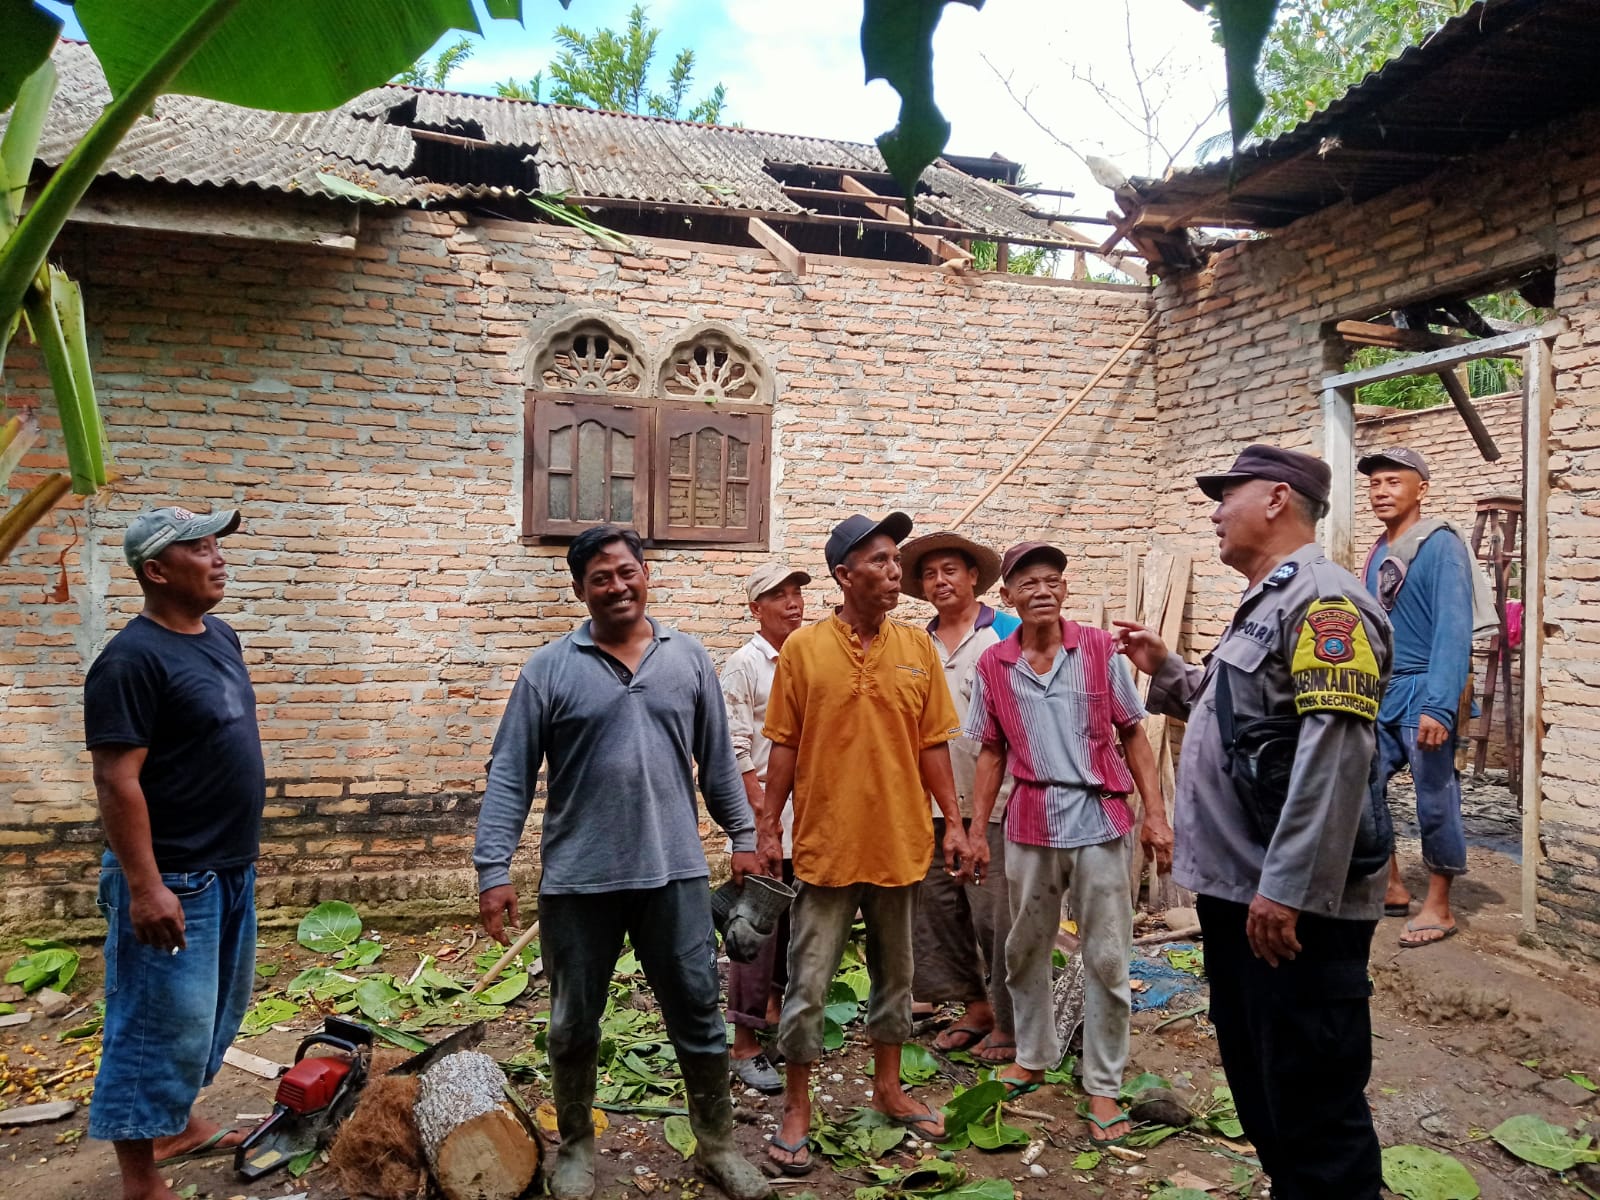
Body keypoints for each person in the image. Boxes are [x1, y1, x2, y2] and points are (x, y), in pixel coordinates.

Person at [1117, 445, 1393, 1200]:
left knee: (1313, 1098)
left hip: (1293, 904)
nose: (1213, 511)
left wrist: (1289, 887)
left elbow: (1334, 753)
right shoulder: (1269, 599)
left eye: (1225, 496)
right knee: (1264, 1082)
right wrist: (1167, 667)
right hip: (1246, 893)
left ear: (1276, 499)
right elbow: (1230, 702)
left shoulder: (1326, 602)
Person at [473, 524, 770, 1200]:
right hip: (579, 882)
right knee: (574, 1021)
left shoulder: (688, 659)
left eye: (627, 571)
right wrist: (493, 871)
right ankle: (575, 1146)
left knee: (697, 1012)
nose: (617, 586)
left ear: (646, 575)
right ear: (580, 589)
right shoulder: (547, 670)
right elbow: (509, 778)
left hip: (675, 876)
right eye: (600, 577)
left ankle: (717, 1145)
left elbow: (719, 763)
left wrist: (743, 838)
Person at [758, 512, 973, 1175]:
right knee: (808, 984)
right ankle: (797, 1104)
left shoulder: (916, 651)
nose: (894, 571)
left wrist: (956, 822)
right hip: (825, 848)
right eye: (880, 561)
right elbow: (785, 745)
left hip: (899, 844)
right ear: (844, 575)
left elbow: (933, 743)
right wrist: (767, 825)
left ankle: (888, 1089)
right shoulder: (803, 650)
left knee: (896, 982)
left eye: (894, 559)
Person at [965, 541, 1171, 1143]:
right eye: (1027, 584)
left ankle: (1103, 1085)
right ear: (1006, 598)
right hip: (1029, 818)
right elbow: (991, 752)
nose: (1042, 591)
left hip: (1101, 817)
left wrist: (1155, 816)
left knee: (1106, 954)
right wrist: (977, 830)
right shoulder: (994, 665)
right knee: (1023, 948)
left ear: (1065, 590)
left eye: (1052, 580)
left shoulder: (1100, 650)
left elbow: (1134, 734)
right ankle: (1033, 1054)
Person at [83, 506, 261, 1200]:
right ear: (156, 571)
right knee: (154, 1024)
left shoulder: (220, 637)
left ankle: (178, 1123)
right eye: (200, 550)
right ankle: (140, 1179)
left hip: (227, 868)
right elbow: (115, 778)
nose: (218, 559)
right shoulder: (130, 660)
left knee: (209, 1019)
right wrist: (144, 886)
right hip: (174, 876)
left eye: (218, 547)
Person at [899, 532, 1021, 1064]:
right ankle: (975, 1006)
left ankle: (1014, 1023)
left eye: (951, 570)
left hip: (998, 800)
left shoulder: (1007, 633)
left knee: (996, 914)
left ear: (974, 577)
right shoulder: (915, 646)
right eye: (929, 574)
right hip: (927, 803)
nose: (941, 581)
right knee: (939, 912)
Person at [1360, 447, 1487, 948]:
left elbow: (1454, 631)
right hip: (1382, 691)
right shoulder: (1377, 550)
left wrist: (1439, 704)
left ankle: (1439, 904)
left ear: (1421, 489)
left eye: (1393, 481)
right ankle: (1390, 886)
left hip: (1425, 687)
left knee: (1436, 795)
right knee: (1363, 782)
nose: (1381, 491)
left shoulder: (1440, 545)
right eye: (1374, 484)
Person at [720, 561, 811, 1094]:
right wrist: (761, 821)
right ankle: (744, 1045)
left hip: (810, 818)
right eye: (779, 596)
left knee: (796, 926)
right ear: (756, 609)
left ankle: (774, 1017)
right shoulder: (744, 666)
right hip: (766, 821)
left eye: (797, 593)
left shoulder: (806, 658)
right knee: (755, 929)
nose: (793, 603)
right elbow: (734, 751)